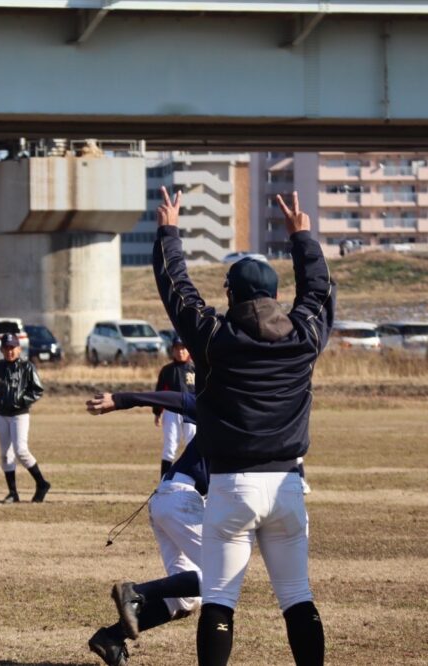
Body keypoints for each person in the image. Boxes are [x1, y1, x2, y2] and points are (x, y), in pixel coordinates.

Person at [153, 188, 333, 666]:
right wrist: (302, 238)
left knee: (219, 601)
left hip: (231, 487)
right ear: (275, 295)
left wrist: (170, 231)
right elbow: (319, 291)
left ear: (231, 295)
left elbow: (177, 289)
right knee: (297, 597)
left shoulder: (215, 339)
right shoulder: (304, 336)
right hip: (288, 487)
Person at [85, 389, 207, 666]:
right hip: (182, 499)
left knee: (187, 598)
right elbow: (175, 399)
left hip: (169, 498)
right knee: (221, 579)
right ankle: (137, 591)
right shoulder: (230, 405)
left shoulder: (248, 410)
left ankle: (112, 637)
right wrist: (122, 399)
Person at [0, 332, 50, 503]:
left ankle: (41, 483)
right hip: (1, 414)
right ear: (2, 350)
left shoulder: (27, 367)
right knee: (6, 454)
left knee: (21, 450)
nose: (10, 351)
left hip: (19, 415)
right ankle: (13, 493)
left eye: (13, 347)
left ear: (19, 348)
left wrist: (20, 401)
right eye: (6, 348)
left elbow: (37, 390)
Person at [154, 338, 196, 477]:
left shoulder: (196, 368)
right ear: (172, 350)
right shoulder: (167, 370)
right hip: (171, 412)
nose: (180, 351)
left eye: (183, 348)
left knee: (193, 446)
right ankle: (164, 482)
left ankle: (195, 481)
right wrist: (157, 412)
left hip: (192, 413)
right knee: (170, 447)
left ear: (189, 349)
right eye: (177, 348)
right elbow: (160, 393)